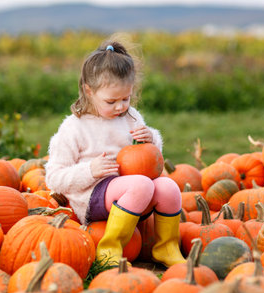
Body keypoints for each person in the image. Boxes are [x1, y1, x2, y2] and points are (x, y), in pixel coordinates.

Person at [45, 37, 186, 268]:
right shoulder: (74, 127)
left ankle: (166, 248)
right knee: (141, 184)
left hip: (131, 192)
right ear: (89, 91)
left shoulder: (130, 117)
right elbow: (54, 178)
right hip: (91, 196)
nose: (120, 107)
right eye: (111, 101)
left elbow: (148, 158)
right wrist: (90, 170)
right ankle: (109, 250)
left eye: (126, 99)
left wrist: (151, 139)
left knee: (168, 187)